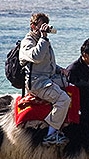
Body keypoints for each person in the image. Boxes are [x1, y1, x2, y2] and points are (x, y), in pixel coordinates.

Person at [19, 13, 70, 146]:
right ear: (33, 26)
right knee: (64, 99)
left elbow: (47, 64)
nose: (43, 28)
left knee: (72, 86)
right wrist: (44, 37)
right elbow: (36, 57)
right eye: (41, 25)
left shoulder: (43, 41)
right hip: (37, 83)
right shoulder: (27, 42)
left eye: (45, 26)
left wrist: (60, 70)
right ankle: (50, 135)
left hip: (47, 78)